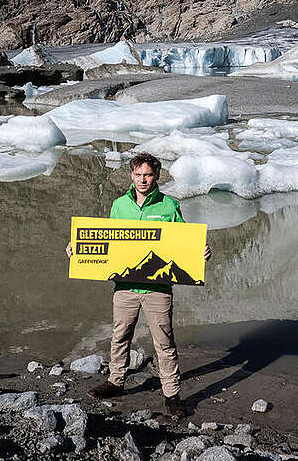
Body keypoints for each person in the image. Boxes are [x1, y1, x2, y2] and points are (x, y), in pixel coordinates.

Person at [65, 151, 211, 418]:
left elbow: (187, 241)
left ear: (156, 176)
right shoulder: (119, 205)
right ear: (132, 175)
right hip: (125, 286)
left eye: (148, 175)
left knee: (164, 342)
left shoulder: (169, 206)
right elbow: (106, 242)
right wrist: (79, 248)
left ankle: (172, 395)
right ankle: (115, 382)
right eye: (138, 174)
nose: (143, 179)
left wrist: (200, 252)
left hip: (158, 289)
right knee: (120, 335)